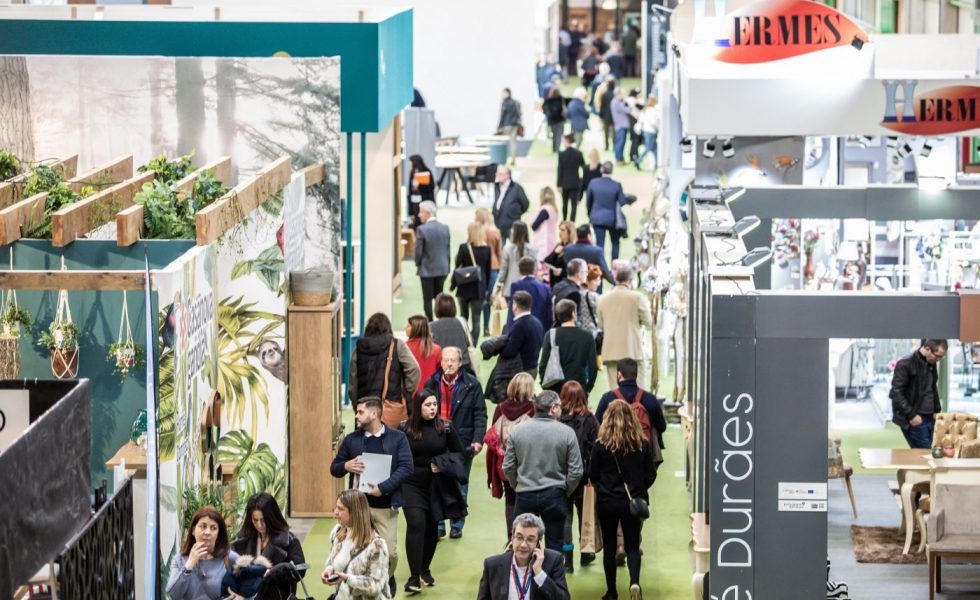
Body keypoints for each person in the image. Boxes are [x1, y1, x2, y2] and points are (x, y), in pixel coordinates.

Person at [330, 397, 414, 596]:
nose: (356, 415)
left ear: (374, 414)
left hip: (385, 505)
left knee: (390, 553)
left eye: (360, 412)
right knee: (354, 547)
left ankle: (385, 577)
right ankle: (358, 583)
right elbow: (334, 468)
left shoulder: (397, 438)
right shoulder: (352, 440)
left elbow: (406, 467)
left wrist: (383, 488)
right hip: (357, 507)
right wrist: (346, 466)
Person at [589, 400, 657, 600]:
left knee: (610, 547)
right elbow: (651, 474)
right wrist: (639, 487)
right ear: (631, 418)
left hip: (607, 502)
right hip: (632, 503)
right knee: (633, 546)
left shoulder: (600, 446)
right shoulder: (641, 443)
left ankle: (611, 591)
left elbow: (592, 475)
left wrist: (605, 485)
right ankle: (634, 582)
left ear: (607, 420)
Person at [399, 392, 466, 593]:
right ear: (418, 406)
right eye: (428, 404)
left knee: (431, 529)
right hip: (410, 484)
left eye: (435, 404)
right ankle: (413, 578)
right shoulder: (404, 429)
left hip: (436, 485)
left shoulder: (445, 427)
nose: (432, 408)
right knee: (416, 524)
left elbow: (460, 453)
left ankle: (424, 568)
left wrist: (442, 463)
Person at [420, 346, 488, 538]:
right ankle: (439, 523)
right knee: (437, 483)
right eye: (445, 360)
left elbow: (480, 414)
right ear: (441, 362)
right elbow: (422, 411)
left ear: (460, 363)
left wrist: (478, 440)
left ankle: (457, 523)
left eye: (453, 360)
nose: (449, 363)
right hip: (436, 441)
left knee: (460, 484)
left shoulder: (472, 385)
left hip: (463, 443)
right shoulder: (431, 383)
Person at [504, 390, 584, 553]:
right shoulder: (567, 433)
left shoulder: (518, 431)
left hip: (525, 494)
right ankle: (552, 577)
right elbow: (576, 471)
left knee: (523, 545)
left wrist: (517, 485)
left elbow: (508, 466)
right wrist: (564, 490)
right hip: (555, 495)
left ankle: (524, 577)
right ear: (553, 408)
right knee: (554, 547)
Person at [485, 373, 537, 539]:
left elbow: (493, 438)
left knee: (510, 498)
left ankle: (512, 536)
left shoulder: (500, 408)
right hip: (528, 465)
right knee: (527, 499)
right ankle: (528, 536)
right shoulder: (534, 409)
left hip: (505, 463)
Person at [476, 513, 571, 600]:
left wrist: (539, 573)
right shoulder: (492, 565)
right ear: (512, 537)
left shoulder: (553, 561)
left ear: (538, 543)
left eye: (530, 539)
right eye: (519, 537)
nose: (523, 545)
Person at [231, 493, 306, 600]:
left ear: (272, 517)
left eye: (263, 520)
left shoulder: (289, 540)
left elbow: (300, 571)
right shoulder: (244, 541)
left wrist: (275, 572)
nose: (259, 525)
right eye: (255, 520)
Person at [348, 313, 421, 424]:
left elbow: (353, 384)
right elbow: (414, 369)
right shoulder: (396, 345)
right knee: (393, 439)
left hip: (365, 407)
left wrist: (356, 405)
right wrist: (405, 392)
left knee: (365, 439)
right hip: (392, 404)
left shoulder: (358, 349)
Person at [558, 381, 599, 572]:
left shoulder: (557, 420)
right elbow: (597, 446)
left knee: (565, 520)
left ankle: (568, 562)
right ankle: (586, 553)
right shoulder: (590, 419)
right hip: (585, 478)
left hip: (562, 477)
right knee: (586, 516)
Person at [321, 490, 392, 600]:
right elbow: (332, 560)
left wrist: (348, 579)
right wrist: (329, 569)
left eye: (340, 509)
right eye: (336, 507)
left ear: (355, 512)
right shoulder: (338, 532)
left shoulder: (377, 545)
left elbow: (375, 585)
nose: (335, 512)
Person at [597, 267, 652, 390]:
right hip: (632, 350)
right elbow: (648, 322)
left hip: (611, 350)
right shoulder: (637, 297)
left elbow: (601, 325)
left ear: (616, 279)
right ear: (631, 280)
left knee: (615, 391)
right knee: (638, 390)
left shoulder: (602, 299)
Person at [595, 358, 667, 452]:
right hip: (642, 456)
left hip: (614, 454)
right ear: (635, 375)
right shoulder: (651, 399)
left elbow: (596, 426)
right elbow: (662, 427)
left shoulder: (607, 398)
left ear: (619, 374)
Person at [168, 506, 239, 600]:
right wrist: (189, 565)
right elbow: (173, 595)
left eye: (213, 528)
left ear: (218, 533)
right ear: (193, 530)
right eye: (203, 526)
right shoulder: (179, 559)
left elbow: (252, 585)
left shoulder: (228, 557)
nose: (207, 532)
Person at [890, 339, 948, 448]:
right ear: (927, 349)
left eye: (941, 357)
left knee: (930, 454)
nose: (939, 360)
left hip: (930, 418)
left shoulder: (931, 362)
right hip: (915, 419)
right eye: (938, 356)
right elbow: (896, 393)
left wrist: (936, 410)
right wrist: (912, 415)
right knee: (925, 456)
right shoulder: (906, 363)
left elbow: (932, 388)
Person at [538, 299, 599, 394]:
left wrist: (544, 384)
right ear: (573, 314)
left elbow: (543, 365)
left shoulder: (550, 335)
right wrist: (587, 388)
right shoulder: (587, 336)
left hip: (556, 387)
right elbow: (593, 367)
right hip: (578, 387)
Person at [451, 222, 493, 344]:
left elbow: (457, 268)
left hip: (464, 286)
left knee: (463, 317)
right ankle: (473, 345)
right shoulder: (487, 249)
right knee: (476, 319)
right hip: (479, 288)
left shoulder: (464, 248)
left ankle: (464, 342)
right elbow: (488, 271)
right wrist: (486, 289)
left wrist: (453, 285)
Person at [415, 201, 451, 321]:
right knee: (439, 297)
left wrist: (418, 263)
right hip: (442, 268)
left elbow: (418, 252)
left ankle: (430, 323)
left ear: (427, 213)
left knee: (427, 299)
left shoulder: (422, 229)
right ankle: (441, 321)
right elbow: (447, 250)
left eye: (421, 212)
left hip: (426, 270)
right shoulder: (445, 228)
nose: (419, 215)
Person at [587, 162, 628, 261]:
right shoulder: (616, 185)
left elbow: (589, 202)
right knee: (615, 243)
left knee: (600, 244)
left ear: (601, 170)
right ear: (612, 171)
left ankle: (600, 268)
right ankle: (614, 267)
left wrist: (590, 214)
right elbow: (622, 202)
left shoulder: (593, 183)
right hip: (613, 219)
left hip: (597, 218)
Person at [500, 291, 545, 373]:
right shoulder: (537, 322)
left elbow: (509, 352)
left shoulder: (519, 325)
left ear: (515, 306)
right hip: (533, 368)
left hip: (521, 371)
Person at [430, 293, 476, 374]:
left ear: (436, 308)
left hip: (442, 369)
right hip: (463, 366)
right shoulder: (462, 322)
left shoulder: (431, 327)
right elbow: (469, 343)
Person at [475, 208, 504, 338]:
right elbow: (500, 252)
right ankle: (486, 327)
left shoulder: (477, 233)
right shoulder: (496, 232)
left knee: (478, 298)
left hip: (479, 268)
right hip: (494, 267)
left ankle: (476, 325)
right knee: (488, 297)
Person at [497, 222, 538, 306]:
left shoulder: (508, 249)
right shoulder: (533, 249)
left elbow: (504, 269)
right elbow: (536, 268)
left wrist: (500, 281)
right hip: (530, 287)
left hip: (510, 287)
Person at [507, 257, 552, 332]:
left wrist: (510, 330)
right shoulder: (545, 287)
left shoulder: (516, 286)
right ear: (534, 270)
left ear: (519, 270)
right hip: (541, 329)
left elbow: (513, 310)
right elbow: (549, 314)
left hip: (521, 329)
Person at [405, 315, 442, 395]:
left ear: (415, 329)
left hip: (410, 394)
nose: (405, 328)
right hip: (430, 395)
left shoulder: (404, 349)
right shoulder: (436, 349)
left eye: (408, 326)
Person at [491, 167, 529, 242]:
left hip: (512, 224)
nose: (498, 175)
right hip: (499, 223)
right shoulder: (497, 186)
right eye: (497, 173)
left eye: (500, 174)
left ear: (507, 175)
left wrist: (516, 213)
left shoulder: (516, 188)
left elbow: (525, 204)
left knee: (514, 246)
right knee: (500, 248)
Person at [556, 135, 585, 223]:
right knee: (574, 204)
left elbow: (560, 170)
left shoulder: (562, 154)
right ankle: (572, 221)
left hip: (564, 183)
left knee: (564, 204)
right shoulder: (578, 153)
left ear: (566, 141)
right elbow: (583, 167)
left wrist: (559, 184)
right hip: (575, 182)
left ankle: (564, 220)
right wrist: (581, 180)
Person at [551, 257, 585, 321]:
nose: (587, 274)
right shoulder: (574, 293)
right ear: (579, 274)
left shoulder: (557, 286)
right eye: (586, 272)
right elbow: (575, 320)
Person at [531, 187, 559, 265]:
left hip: (543, 243)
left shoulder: (544, 210)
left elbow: (534, 226)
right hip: (552, 241)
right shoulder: (554, 210)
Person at [544, 221, 576, 286]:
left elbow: (574, 270)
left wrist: (562, 272)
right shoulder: (559, 245)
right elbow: (546, 261)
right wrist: (555, 253)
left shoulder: (573, 249)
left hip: (566, 284)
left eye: (563, 230)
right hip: (554, 284)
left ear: (570, 233)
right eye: (559, 230)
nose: (560, 233)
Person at [407, 155, 435, 228]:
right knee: (416, 219)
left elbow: (431, 187)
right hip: (414, 200)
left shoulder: (427, 172)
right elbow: (410, 189)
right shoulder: (412, 172)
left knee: (424, 219)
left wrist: (419, 186)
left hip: (425, 199)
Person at [497, 88, 522, 165]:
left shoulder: (505, 103)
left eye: (503, 93)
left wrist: (499, 126)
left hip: (507, 125)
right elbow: (519, 114)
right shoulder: (516, 103)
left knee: (504, 142)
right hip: (514, 124)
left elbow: (502, 115)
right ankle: (513, 159)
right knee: (513, 142)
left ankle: (503, 159)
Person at [634, 96, 660, 170]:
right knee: (649, 147)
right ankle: (638, 160)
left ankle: (657, 165)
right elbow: (653, 122)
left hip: (646, 131)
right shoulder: (651, 110)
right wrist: (658, 128)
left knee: (655, 149)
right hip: (651, 131)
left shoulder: (645, 110)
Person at [542, 87, 567, 153]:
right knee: (558, 135)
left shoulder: (548, 100)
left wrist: (549, 116)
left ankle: (555, 148)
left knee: (555, 135)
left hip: (552, 120)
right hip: (559, 120)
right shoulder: (560, 99)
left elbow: (545, 110)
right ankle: (557, 149)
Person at [610, 88, 631, 165]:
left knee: (622, 143)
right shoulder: (616, 102)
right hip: (620, 125)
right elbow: (627, 110)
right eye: (622, 94)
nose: (623, 96)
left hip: (621, 125)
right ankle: (619, 159)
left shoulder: (617, 102)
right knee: (620, 143)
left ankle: (621, 159)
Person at [597, 77, 617, 152]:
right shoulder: (614, 95)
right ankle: (614, 146)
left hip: (606, 116)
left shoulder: (604, 94)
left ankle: (607, 146)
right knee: (614, 132)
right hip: (614, 116)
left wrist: (601, 115)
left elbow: (602, 106)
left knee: (606, 132)